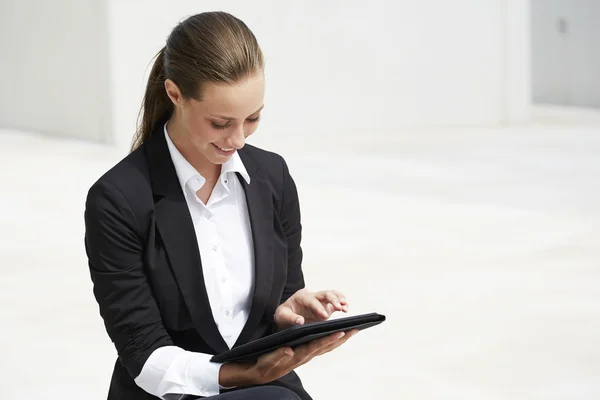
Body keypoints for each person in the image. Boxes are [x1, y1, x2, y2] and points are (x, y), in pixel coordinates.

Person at [84, 11, 357, 400]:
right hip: (171, 393)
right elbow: (143, 354)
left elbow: (280, 297)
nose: (239, 140)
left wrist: (290, 312)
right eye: (220, 123)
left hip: (265, 387)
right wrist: (240, 375)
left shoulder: (271, 177)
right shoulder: (118, 199)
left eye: (253, 119)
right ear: (175, 94)